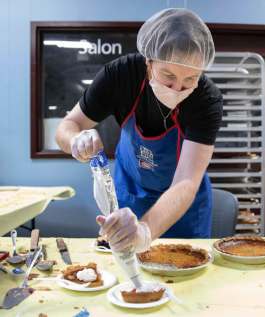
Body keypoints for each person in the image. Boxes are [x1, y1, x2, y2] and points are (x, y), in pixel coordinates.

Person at [55, 8, 223, 252]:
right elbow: (67, 126)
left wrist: (145, 230)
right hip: (131, 194)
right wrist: (76, 141)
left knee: (185, 274)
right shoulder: (120, 76)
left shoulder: (206, 100)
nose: (177, 88)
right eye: (168, 75)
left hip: (183, 207)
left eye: (190, 79)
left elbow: (186, 181)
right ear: (149, 61)